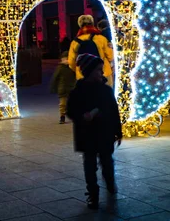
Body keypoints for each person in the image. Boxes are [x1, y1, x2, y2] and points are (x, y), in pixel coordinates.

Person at [67, 53, 122, 210]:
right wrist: (82, 116)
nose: (102, 73)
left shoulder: (106, 90)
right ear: (89, 72)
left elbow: (113, 111)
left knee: (107, 161)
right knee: (90, 165)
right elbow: (71, 110)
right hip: (87, 134)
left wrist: (117, 130)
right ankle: (93, 193)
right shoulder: (78, 91)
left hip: (104, 133)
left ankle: (110, 183)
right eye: (98, 70)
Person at [68, 15, 114, 85]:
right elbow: (110, 56)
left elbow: (71, 63)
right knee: (105, 95)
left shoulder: (75, 42)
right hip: (103, 74)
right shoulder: (101, 38)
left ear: (80, 25)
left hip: (83, 77)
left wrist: (79, 70)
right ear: (92, 23)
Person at [49, 51, 76, 124]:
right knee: (62, 104)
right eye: (64, 59)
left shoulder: (73, 68)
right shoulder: (60, 68)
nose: (66, 60)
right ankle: (62, 116)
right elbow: (55, 78)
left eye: (67, 59)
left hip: (72, 88)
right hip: (63, 89)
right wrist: (53, 88)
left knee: (72, 104)